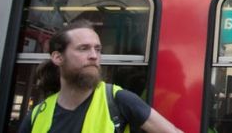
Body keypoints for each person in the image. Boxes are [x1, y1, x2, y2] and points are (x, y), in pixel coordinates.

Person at [18, 19, 182, 133]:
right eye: (83, 48)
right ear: (58, 57)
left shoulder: (118, 100)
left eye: (97, 49)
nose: (94, 56)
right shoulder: (36, 116)